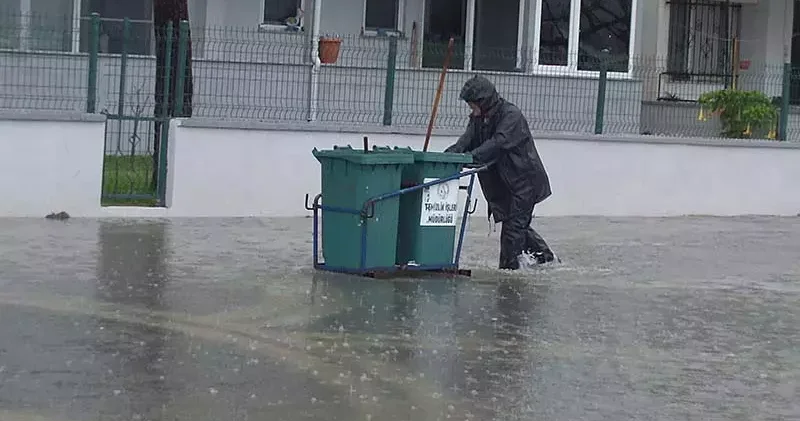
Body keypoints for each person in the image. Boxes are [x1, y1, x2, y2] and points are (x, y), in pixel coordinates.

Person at [444, 75, 555, 270]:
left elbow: (499, 143)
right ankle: (547, 260)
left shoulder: (511, 115)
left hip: (524, 184)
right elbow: (466, 140)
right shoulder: (478, 118)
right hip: (505, 184)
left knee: (512, 231)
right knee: (517, 226)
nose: (471, 109)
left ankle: (508, 276)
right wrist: (447, 157)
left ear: (484, 101)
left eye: (472, 104)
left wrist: (470, 158)